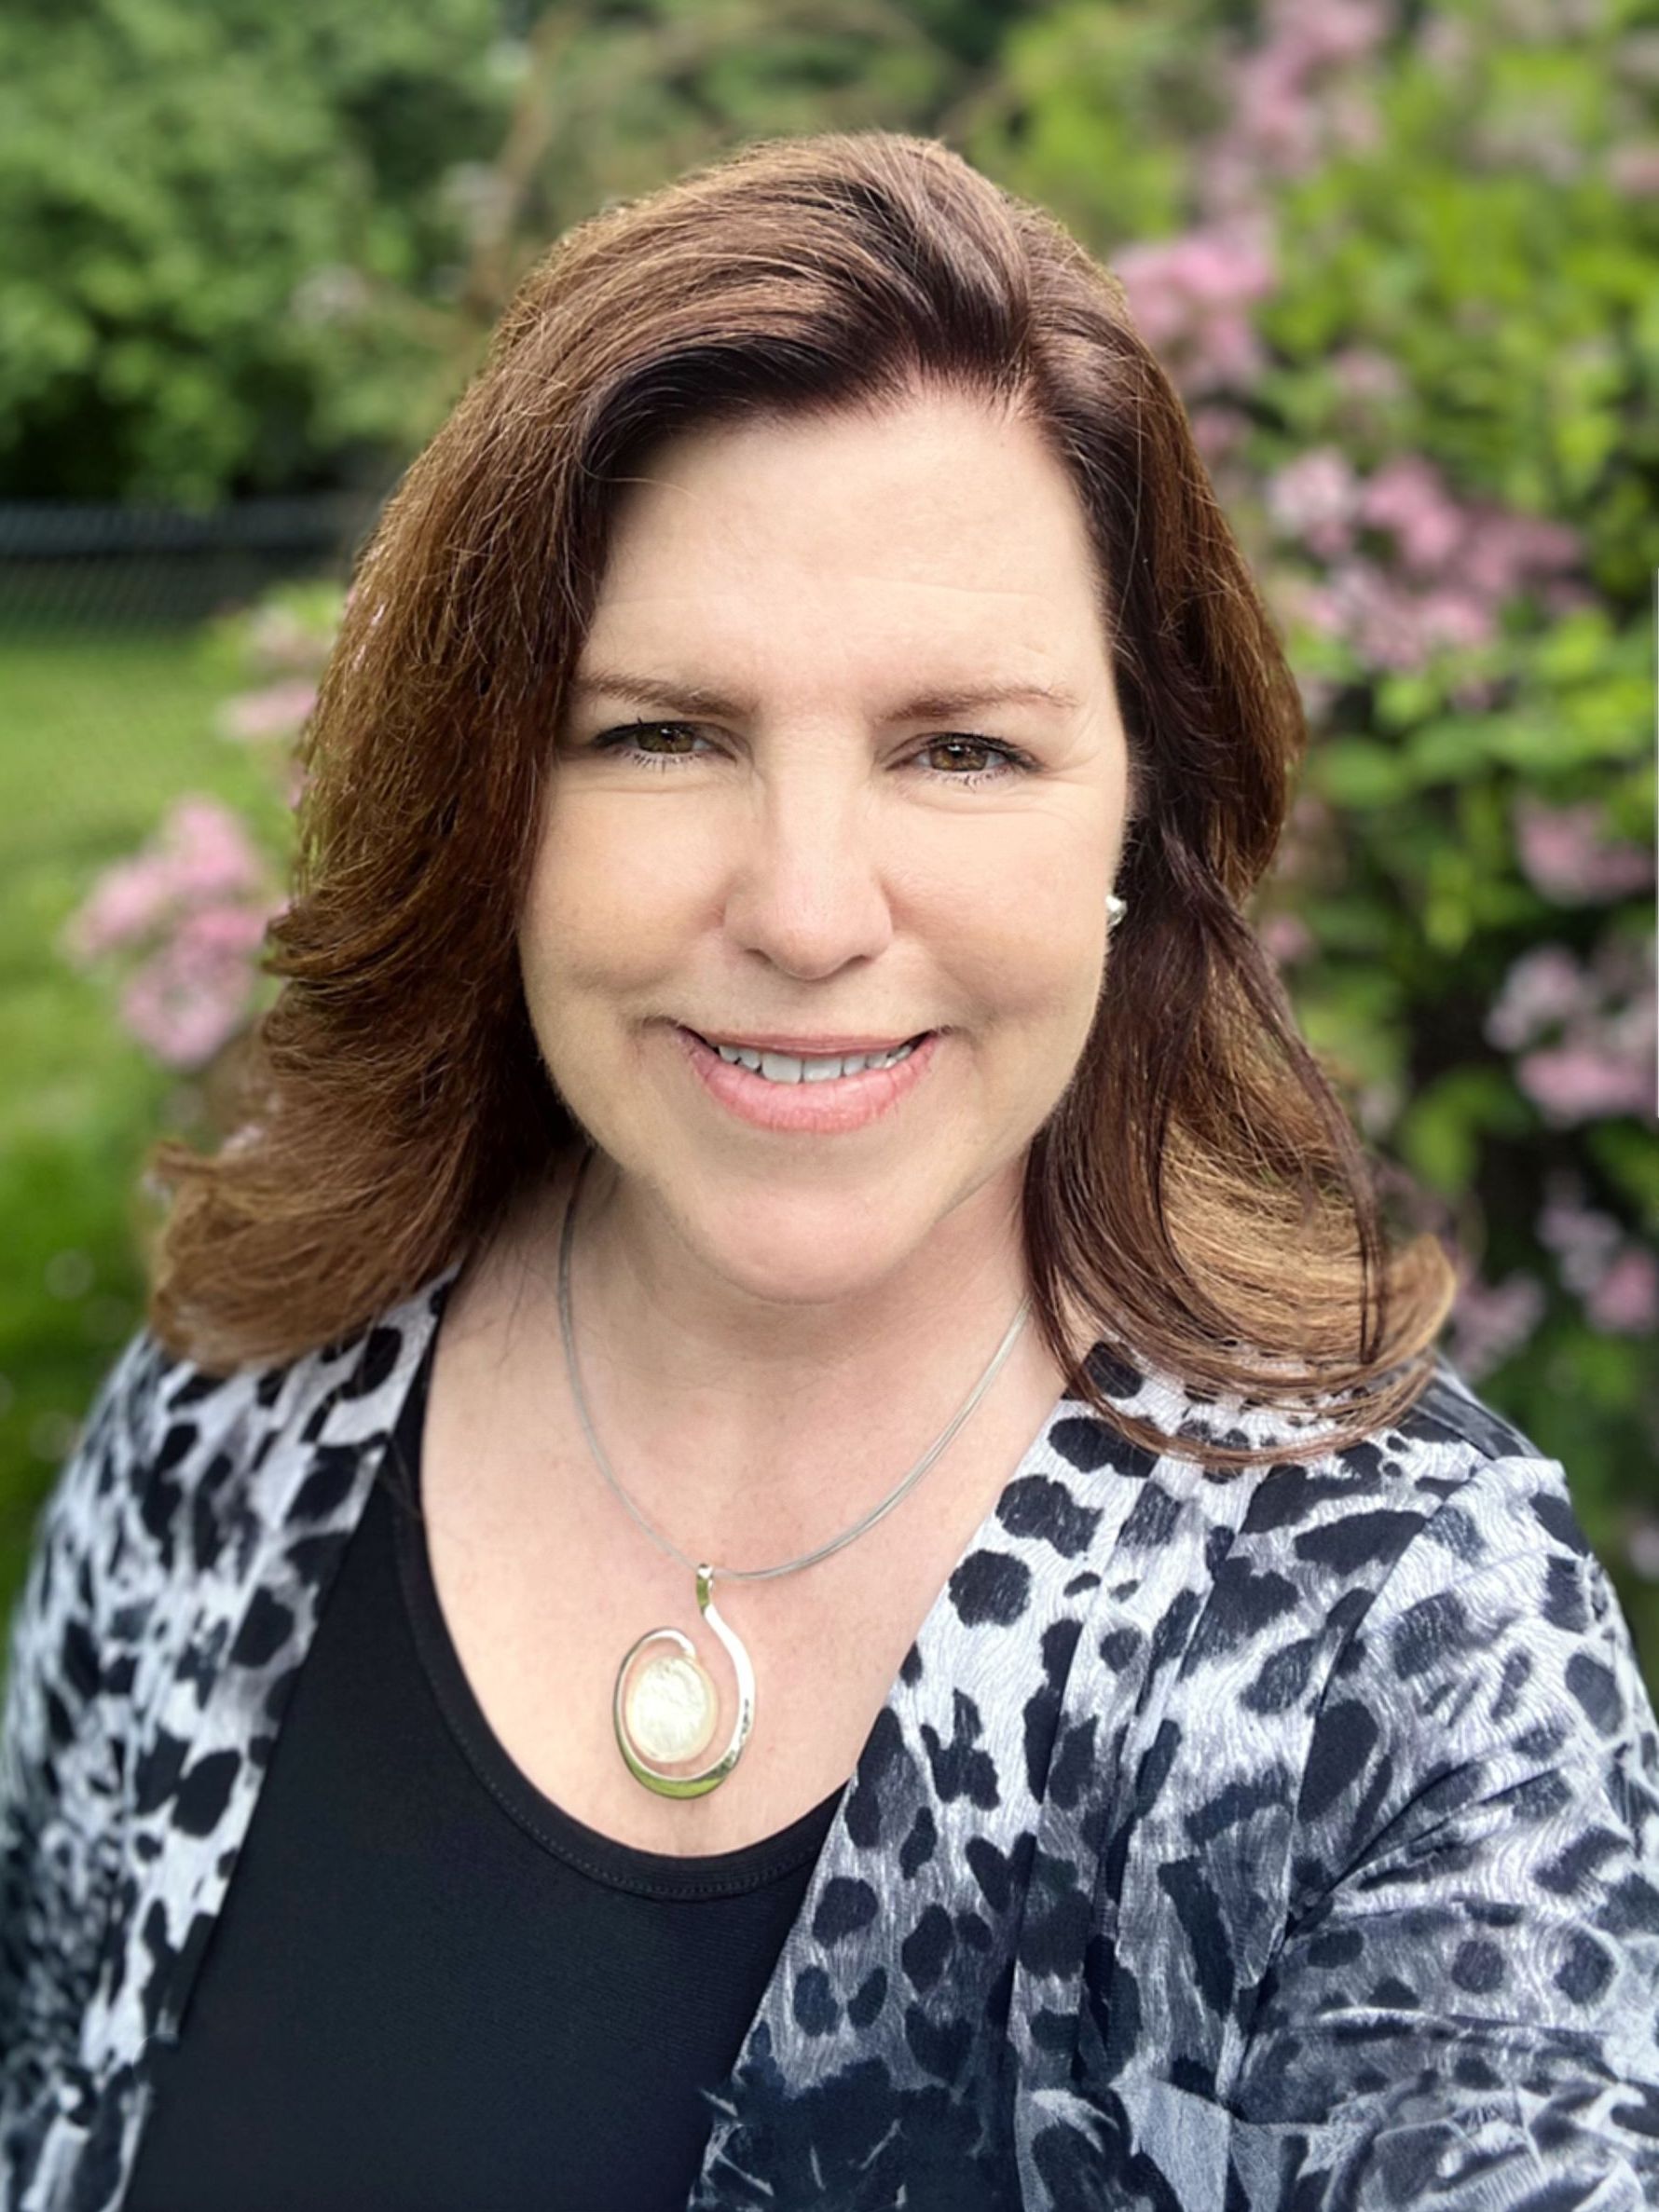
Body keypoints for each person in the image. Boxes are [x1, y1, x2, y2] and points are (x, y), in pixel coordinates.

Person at [3, 129, 1656, 2212]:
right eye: (661, 732)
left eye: (961, 747)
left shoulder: (1398, 1647)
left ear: (1140, 815)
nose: (803, 910)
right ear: (490, 799)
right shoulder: (231, 1427)